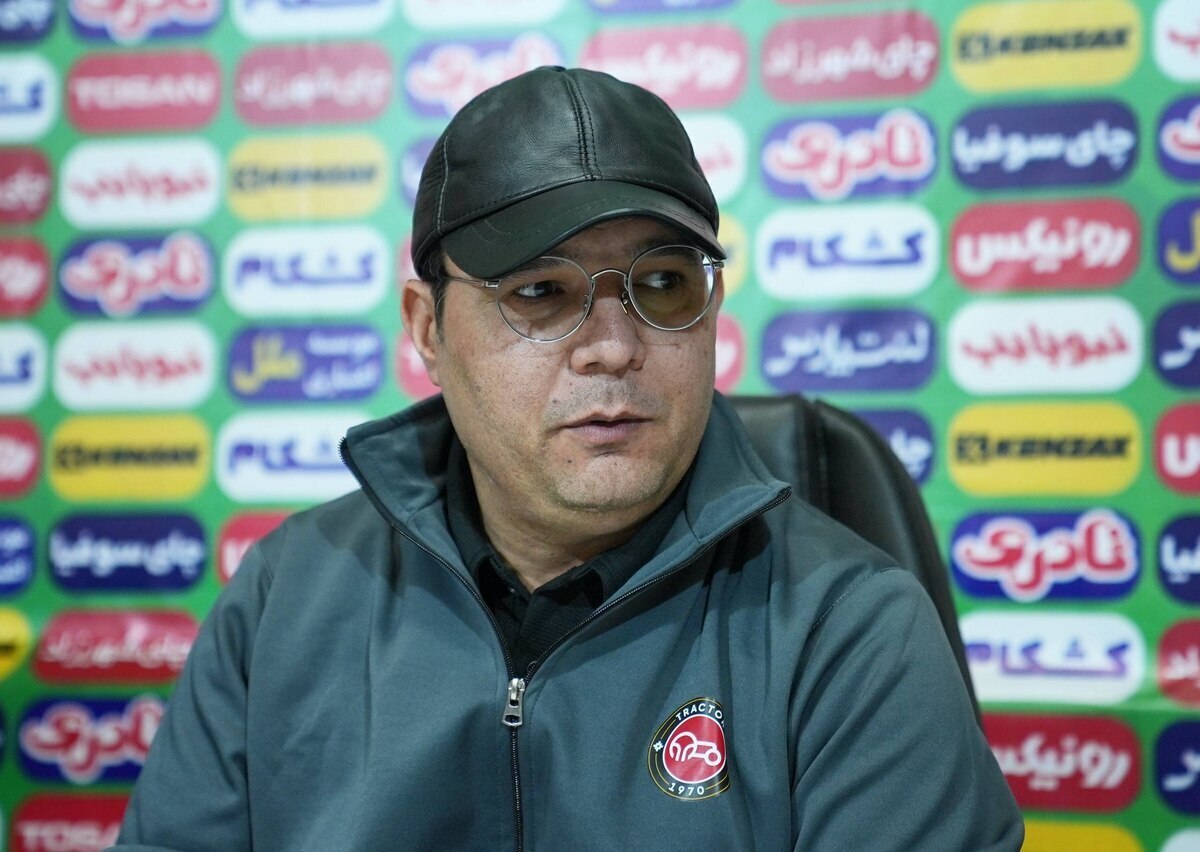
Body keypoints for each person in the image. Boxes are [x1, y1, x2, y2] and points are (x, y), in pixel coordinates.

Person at [114, 66, 1023, 850]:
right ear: (428, 329)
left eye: (663, 284)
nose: (614, 348)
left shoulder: (854, 631)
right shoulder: (284, 600)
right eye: (542, 293)